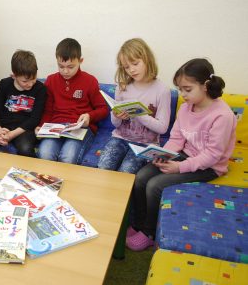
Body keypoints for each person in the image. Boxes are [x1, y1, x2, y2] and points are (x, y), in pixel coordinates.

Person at [126, 58, 237, 251]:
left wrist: (179, 167)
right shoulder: (186, 108)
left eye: (187, 89)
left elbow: (212, 155)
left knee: (155, 185)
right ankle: (138, 224)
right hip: (185, 155)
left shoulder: (222, 115)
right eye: (180, 89)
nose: (183, 94)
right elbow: (177, 138)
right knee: (142, 176)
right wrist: (163, 154)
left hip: (210, 166)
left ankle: (149, 232)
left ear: (205, 86)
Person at [98, 38, 171, 173]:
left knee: (126, 171)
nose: (131, 70)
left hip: (145, 144)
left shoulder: (162, 90)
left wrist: (140, 114)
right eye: (126, 67)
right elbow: (116, 125)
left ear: (147, 59)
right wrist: (116, 115)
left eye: (135, 63)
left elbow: (162, 128)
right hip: (120, 138)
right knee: (103, 167)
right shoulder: (122, 87)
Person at [37, 38, 109, 164]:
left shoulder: (90, 81)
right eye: (61, 66)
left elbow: (103, 109)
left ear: (80, 61)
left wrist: (89, 116)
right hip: (56, 127)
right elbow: (47, 110)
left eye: (70, 67)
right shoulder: (51, 80)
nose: (65, 71)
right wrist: (41, 126)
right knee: (45, 153)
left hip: (80, 129)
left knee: (68, 157)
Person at [0, 50, 46, 157]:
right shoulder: (4, 84)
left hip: (24, 129)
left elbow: (34, 119)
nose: (30, 84)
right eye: (25, 81)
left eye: (33, 78)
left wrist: (11, 135)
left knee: (25, 149)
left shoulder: (40, 89)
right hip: (3, 126)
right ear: (14, 76)